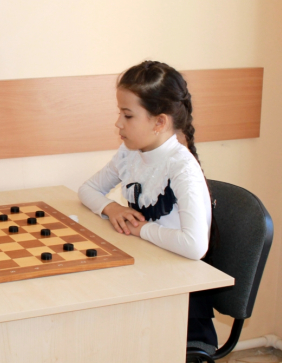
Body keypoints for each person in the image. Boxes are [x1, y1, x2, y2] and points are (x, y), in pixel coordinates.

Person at [78, 60, 218, 353]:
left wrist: (140, 230)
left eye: (128, 115)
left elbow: (195, 246)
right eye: (120, 113)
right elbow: (87, 189)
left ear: (159, 122)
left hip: (178, 304)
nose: (118, 123)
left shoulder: (181, 167)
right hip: (144, 275)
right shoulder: (131, 153)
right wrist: (111, 209)